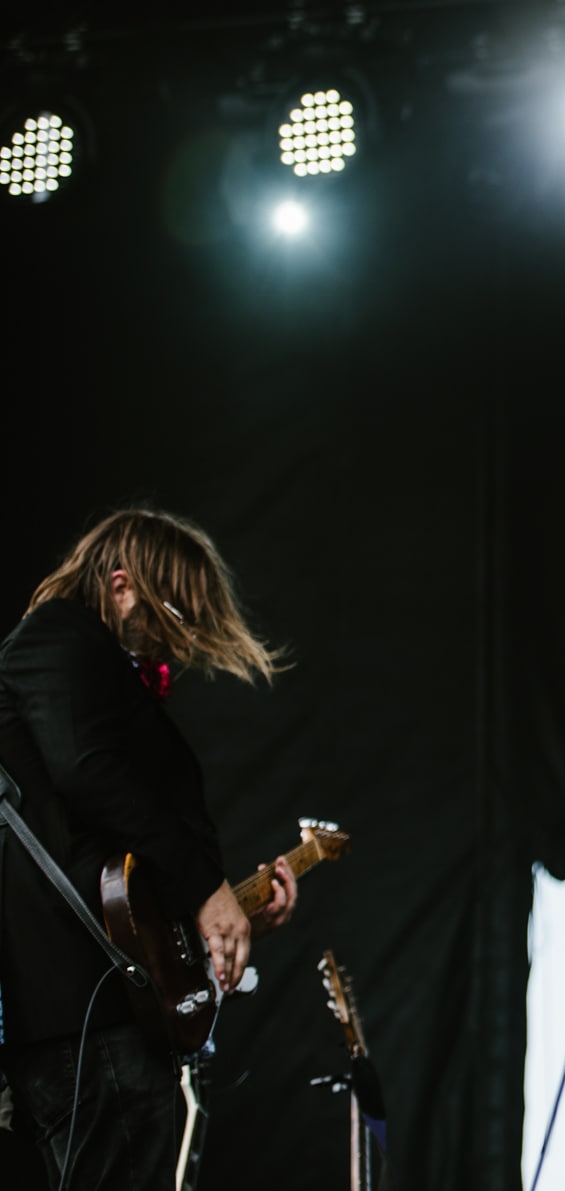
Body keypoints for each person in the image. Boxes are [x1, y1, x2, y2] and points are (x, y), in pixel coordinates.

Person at [0, 508, 298, 1190]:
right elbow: (91, 772)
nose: (180, 641)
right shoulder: (58, 634)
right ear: (122, 585)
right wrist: (206, 890)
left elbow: (115, 859)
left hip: (117, 1012)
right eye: (175, 615)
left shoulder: (87, 664)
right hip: (90, 1013)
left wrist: (228, 914)